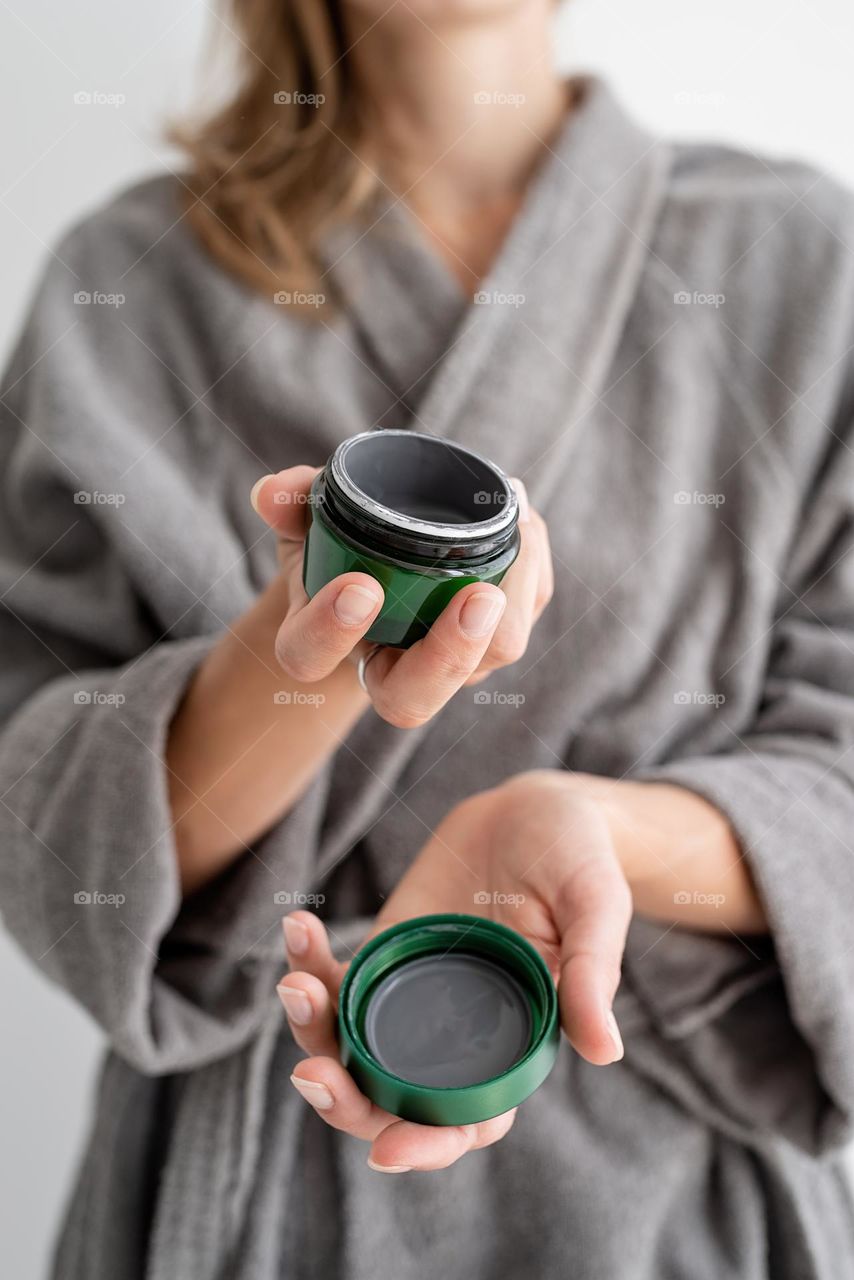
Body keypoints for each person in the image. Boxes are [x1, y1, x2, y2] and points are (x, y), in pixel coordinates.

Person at [1, 2, 853, 1277]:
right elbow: (41, 813)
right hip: (248, 1203)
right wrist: (302, 657)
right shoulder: (126, 282)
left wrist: (592, 833)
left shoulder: (798, 260)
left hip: (678, 1208)